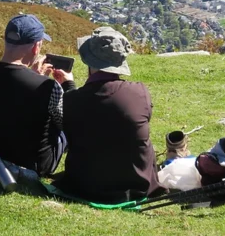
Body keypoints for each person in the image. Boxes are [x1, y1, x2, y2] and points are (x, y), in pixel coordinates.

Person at [54, 27, 164, 203]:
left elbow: (82, 108)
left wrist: (68, 85)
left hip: (85, 186)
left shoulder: (72, 100)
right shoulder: (139, 93)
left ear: (90, 61)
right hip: (137, 185)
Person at [0, 14, 75, 177]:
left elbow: (8, 95)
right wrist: (67, 85)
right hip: (33, 165)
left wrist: (33, 75)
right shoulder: (49, 87)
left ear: (6, 41)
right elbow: (67, 123)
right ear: (36, 47)